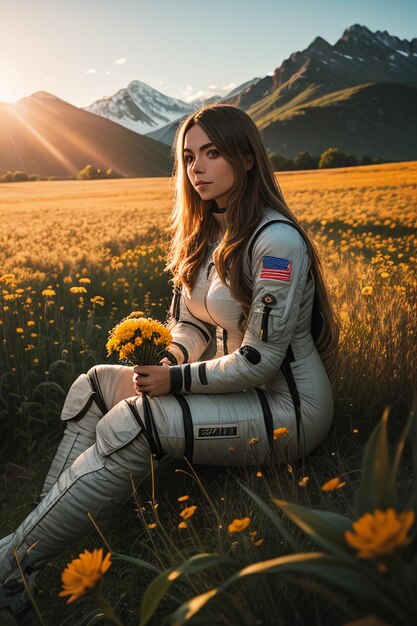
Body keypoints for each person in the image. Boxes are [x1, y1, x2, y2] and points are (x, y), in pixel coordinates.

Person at [0, 104, 339, 615]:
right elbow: (194, 322)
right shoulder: (206, 231)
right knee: (92, 386)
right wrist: (168, 359)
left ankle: (8, 567)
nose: (196, 167)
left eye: (212, 153)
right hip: (226, 386)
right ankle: (29, 558)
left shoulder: (277, 242)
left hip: (286, 409)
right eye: (187, 156)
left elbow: (259, 362)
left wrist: (174, 380)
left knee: (138, 421)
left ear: (247, 158)